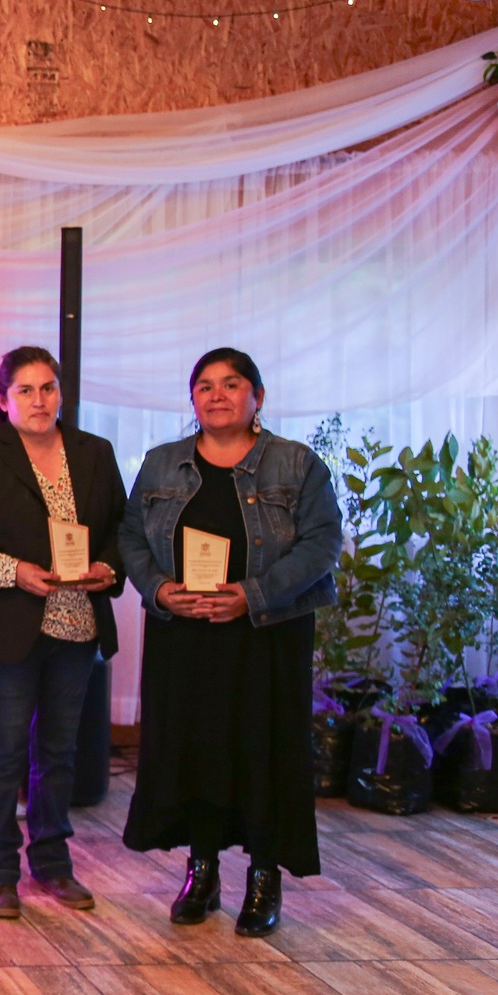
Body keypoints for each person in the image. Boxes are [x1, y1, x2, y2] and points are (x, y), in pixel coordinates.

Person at [119, 348, 340, 938]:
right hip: (184, 635)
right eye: (204, 387)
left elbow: (321, 547)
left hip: (266, 636)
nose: (217, 395)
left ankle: (264, 877)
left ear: (257, 397)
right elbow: (129, 536)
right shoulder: (162, 463)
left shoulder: (297, 465)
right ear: (192, 400)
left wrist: (253, 594)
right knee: (194, 748)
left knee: (263, 749)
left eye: (231, 384)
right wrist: (160, 590)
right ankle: (203, 869)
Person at [0, 346, 126, 918]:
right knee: (4, 751)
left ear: (61, 394)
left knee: (60, 751)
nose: (39, 400)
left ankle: (52, 862)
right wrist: (13, 571)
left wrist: (108, 568)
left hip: (77, 621)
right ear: (3, 399)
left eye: (48, 388)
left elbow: (122, 530)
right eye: (25, 390)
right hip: (4, 625)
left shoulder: (94, 453)